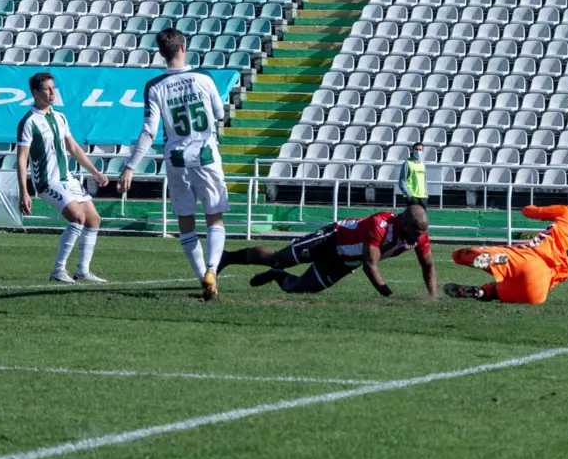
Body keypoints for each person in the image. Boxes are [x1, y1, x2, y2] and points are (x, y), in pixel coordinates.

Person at [117, 27, 228, 301]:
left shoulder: (155, 86)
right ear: (183, 47)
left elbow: (148, 130)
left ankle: (201, 273)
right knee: (214, 216)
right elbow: (219, 113)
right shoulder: (204, 78)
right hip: (205, 156)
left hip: (176, 160)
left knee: (185, 220)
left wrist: (130, 166)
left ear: (161, 53)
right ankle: (212, 269)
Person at [216, 205, 437, 298]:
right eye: (416, 232)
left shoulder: (418, 235)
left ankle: (277, 276)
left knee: (299, 290)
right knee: (278, 258)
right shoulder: (380, 224)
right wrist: (390, 295)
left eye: (421, 233)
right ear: (405, 223)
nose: (419, 238)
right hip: (332, 239)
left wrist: (433, 296)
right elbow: (370, 266)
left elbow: (428, 265)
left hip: (344, 262)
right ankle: (227, 257)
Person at [15, 72, 109, 284]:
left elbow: (73, 147)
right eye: (47, 89)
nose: (52, 93)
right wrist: (24, 191)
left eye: (53, 88)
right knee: (77, 217)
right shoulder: (29, 122)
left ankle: (83, 270)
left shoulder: (60, 117)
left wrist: (94, 171)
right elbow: (22, 159)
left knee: (94, 220)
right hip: (48, 182)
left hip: (68, 179)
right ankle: (58, 270)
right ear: (35, 92)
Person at [445, 197, 568, 305]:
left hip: (530, 257)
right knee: (500, 292)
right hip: (538, 288)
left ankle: (492, 258)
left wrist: (527, 208)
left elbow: (532, 212)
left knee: (458, 255)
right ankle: (483, 292)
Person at [398, 142, 428, 208]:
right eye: (416, 149)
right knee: (413, 217)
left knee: (422, 217)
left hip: (422, 196)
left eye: (420, 150)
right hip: (412, 196)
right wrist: (409, 195)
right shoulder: (407, 163)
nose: (418, 151)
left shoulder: (422, 164)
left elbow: (424, 181)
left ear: (422, 151)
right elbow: (402, 182)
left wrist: (426, 194)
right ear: (412, 150)